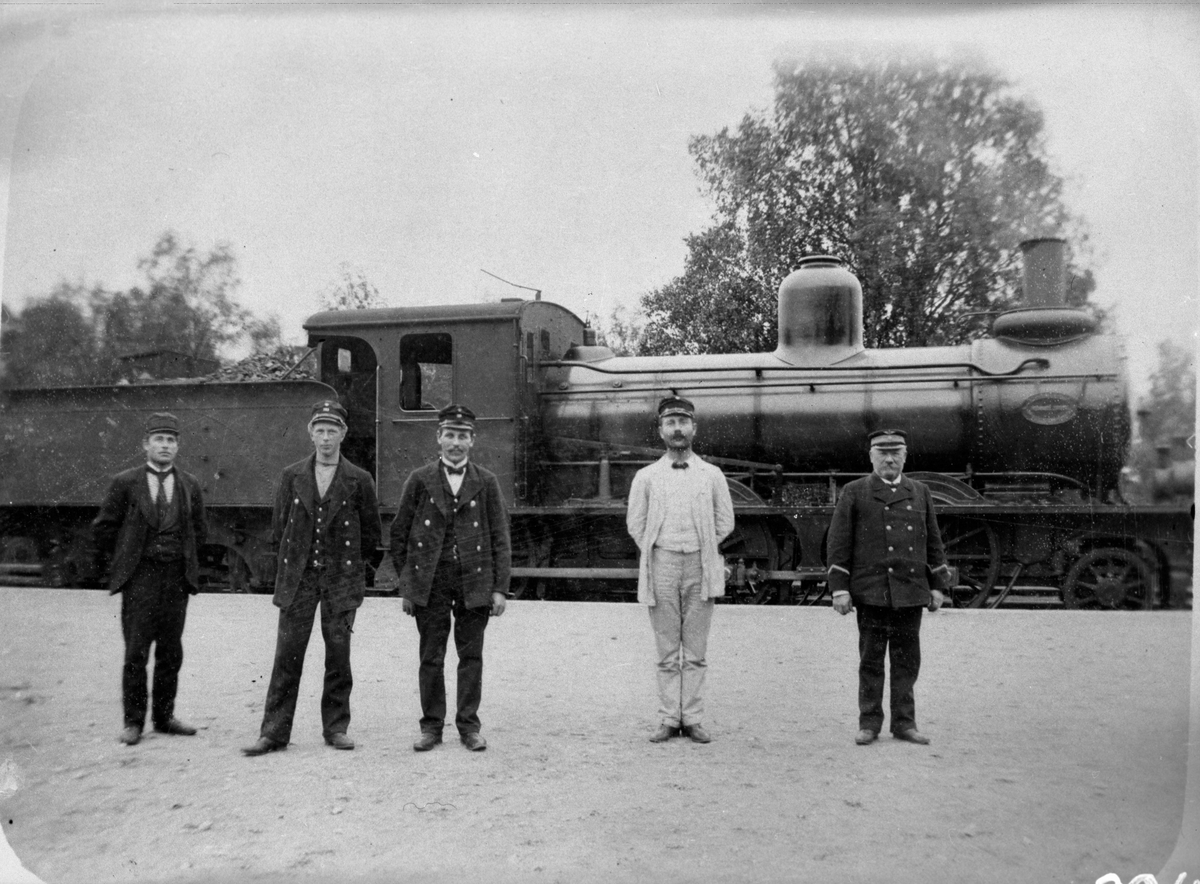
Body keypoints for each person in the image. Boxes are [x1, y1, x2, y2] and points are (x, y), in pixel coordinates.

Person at [243, 400, 382, 756]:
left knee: (338, 655)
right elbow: (280, 528)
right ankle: (274, 733)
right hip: (299, 580)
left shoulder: (360, 479)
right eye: (320, 431)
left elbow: (371, 535)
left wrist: (350, 569)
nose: (326, 438)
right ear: (310, 434)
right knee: (287, 655)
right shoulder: (291, 476)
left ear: (343, 434)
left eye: (332, 431)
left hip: (340, 579)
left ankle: (336, 728)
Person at [389, 403, 510, 752]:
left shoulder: (486, 481)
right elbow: (399, 535)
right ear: (438, 437)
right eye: (450, 435)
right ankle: (431, 728)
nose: (456, 443)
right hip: (431, 582)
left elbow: (500, 537)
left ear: (472, 441)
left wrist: (499, 589)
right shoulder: (419, 479)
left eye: (462, 436)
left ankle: (469, 727)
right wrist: (409, 586)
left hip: (475, 580)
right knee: (431, 656)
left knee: (471, 657)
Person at [827, 428, 952, 746]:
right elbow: (838, 543)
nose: (889, 459)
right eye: (882, 453)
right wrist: (839, 588)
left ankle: (904, 724)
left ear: (905, 456)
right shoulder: (855, 491)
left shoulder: (920, 491)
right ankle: (869, 723)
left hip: (910, 590)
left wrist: (937, 586)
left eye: (896, 453)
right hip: (872, 590)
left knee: (907, 661)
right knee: (870, 661)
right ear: (871, 457)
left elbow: (933, 541)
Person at [92, 412, 208, 746]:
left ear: (178, 446)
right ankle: (133, 723)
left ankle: (164, 717)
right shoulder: (125, 482)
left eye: (171, 440)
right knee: (136, 652)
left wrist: (183, 562)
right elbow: (104, 529)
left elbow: (199, 530)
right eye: (159, 439)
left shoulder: (189, 484)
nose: (165, 446)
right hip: (140, 578)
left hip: (175, 578)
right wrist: (128, 559)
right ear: (146, 444)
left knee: (171, 652)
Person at [627, 396, 735, 744]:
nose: (677, 429)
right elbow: (636, 523)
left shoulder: (712, 475)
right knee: (666, 650)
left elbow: (725, 521)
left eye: (683, 422)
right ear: (661, 431)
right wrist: (662, 547)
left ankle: (693, 718)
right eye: (670, 423)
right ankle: (668, 719)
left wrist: (701, 544)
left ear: (694, 428)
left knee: (696, 651)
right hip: (662, 564)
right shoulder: (646, 477)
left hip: (700, 565)